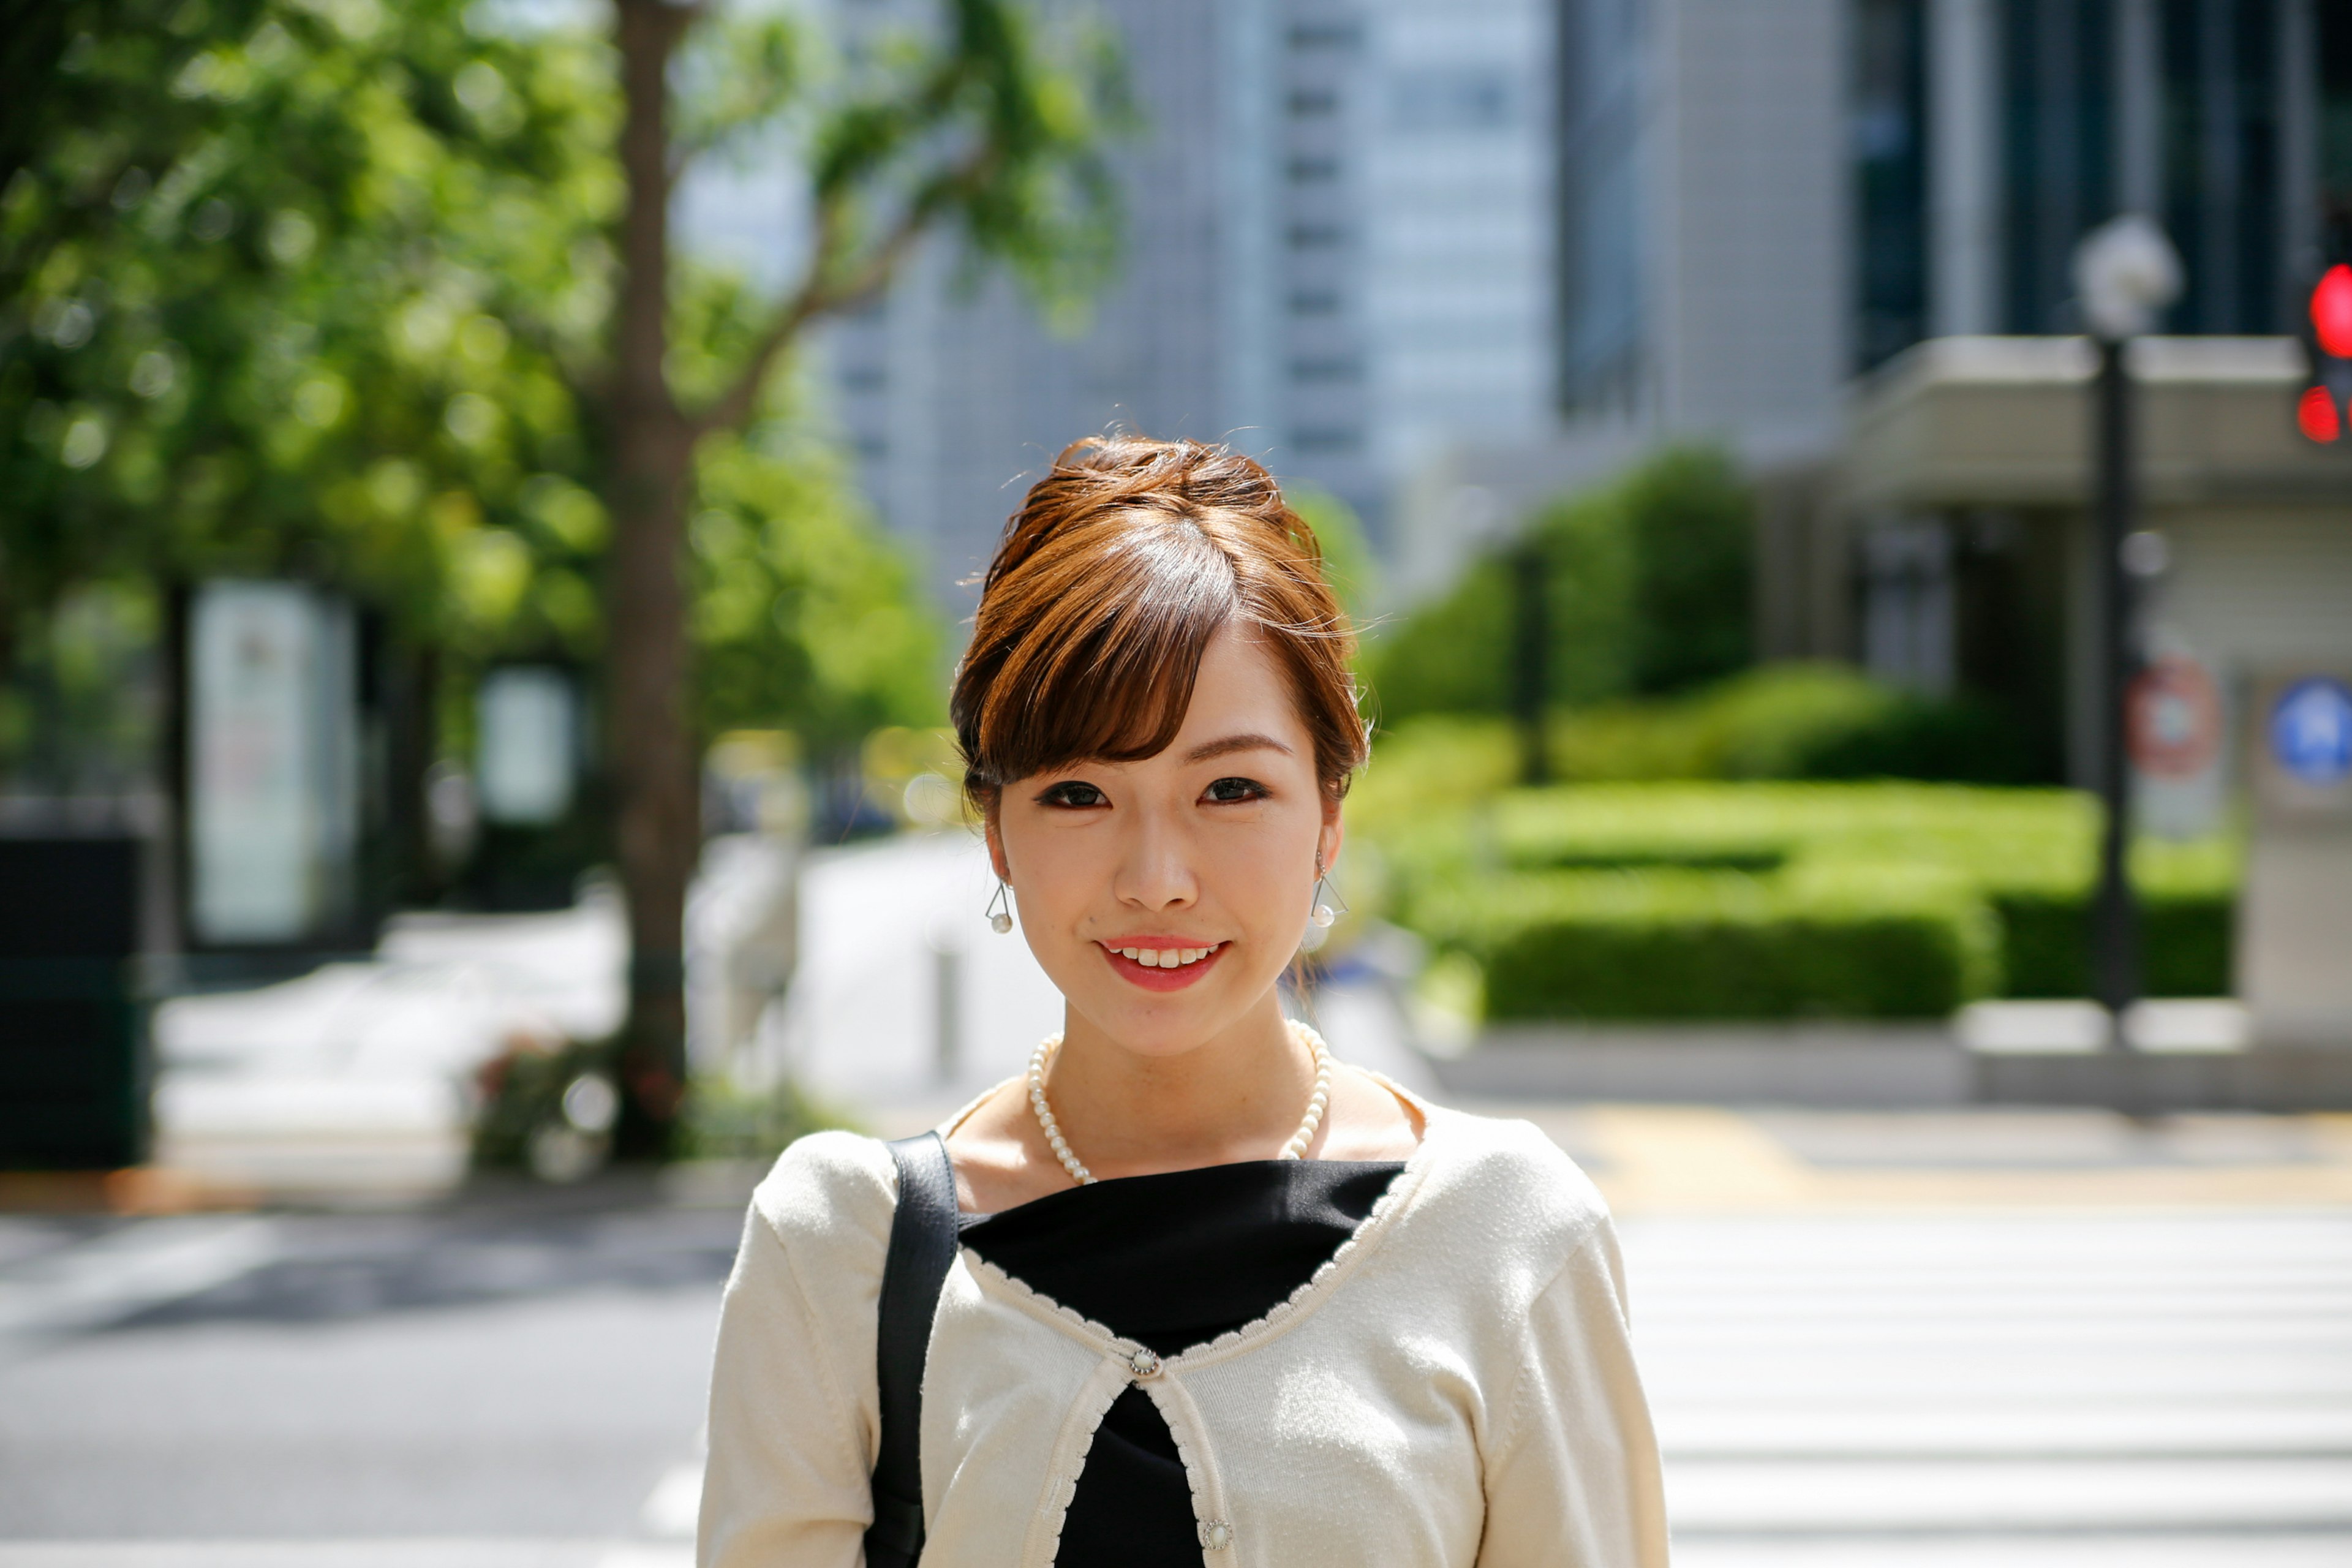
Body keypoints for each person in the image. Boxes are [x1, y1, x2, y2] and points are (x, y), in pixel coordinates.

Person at [699, 435, 1669, 1567]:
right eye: (1079, 792)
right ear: (995, 829)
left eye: (1231, 788)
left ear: (1330, 815)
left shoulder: (1507, 1232)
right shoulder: (842, 1248)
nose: (1157, 876)